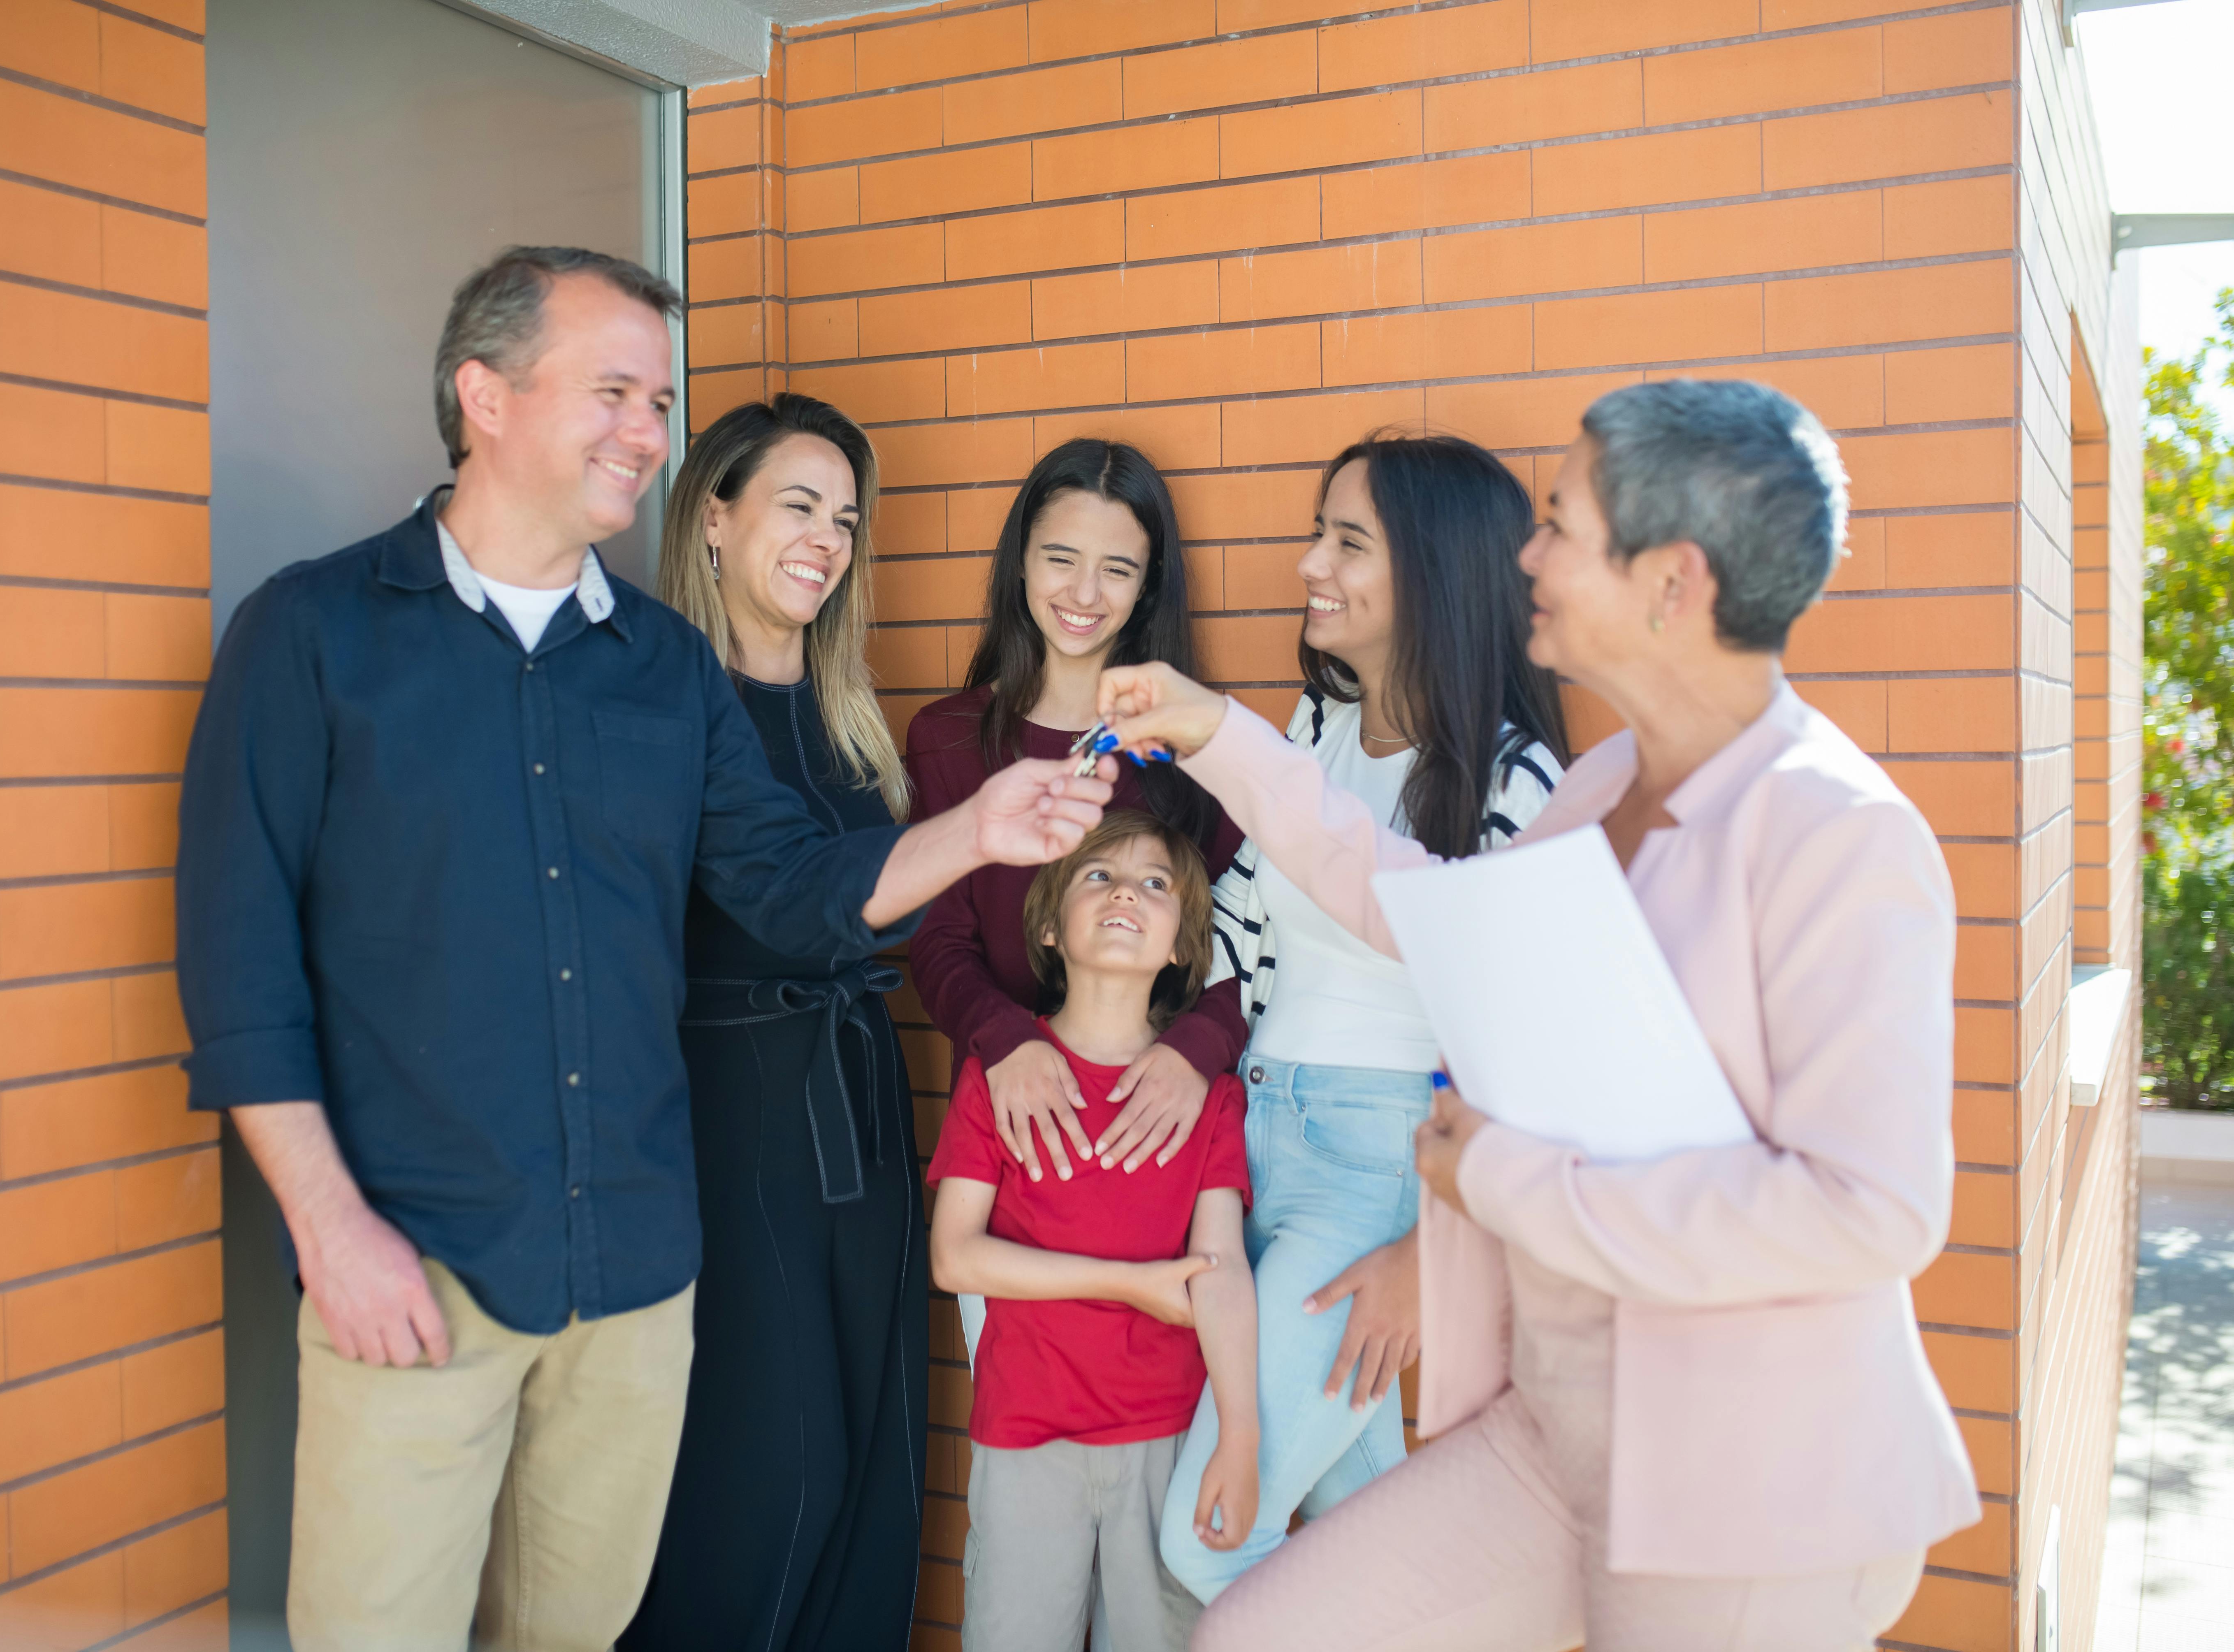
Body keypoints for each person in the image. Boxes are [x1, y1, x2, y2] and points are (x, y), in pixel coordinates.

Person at [174, 246, 1114, 1652]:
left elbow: (791, 885)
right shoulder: (313, 635)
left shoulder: (665, 667)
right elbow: (239, 968)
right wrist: (329, 1229)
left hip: (633, 1282)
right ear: (484, 395)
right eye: (613, 392)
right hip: (413, 1269)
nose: (648, 433)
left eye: (659, 402)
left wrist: (977, 829)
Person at [1097, 380, 1979, 1650]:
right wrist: (1222, 735)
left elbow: (1871, 1209)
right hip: (1556, 1431)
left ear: (1673, 582)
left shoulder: (1841, 834)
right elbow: (1428, 916)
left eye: (1562, 524)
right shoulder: (1607, 782)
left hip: (1742, 1479)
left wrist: (1503, 1182)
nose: (1527, 556)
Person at [1158, 435, 1568, 1606]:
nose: (1310, 565)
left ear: (1435, 571)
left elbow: (1527, 1041)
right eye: (1318, 533)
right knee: (1364, 1529)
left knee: (1208, 1539)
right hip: (1259, 1142)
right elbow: (1241, 938)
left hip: (1374, 1168)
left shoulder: (1515, 779)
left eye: (1348, 542)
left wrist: (1429, 1249)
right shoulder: (1317, 729)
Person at [621, 393, 925, 1652]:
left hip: (860, 1105)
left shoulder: (853, 716)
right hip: (731, 1119)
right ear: (712, 518)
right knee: (769, 1468)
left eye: (845, 519)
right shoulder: (663, 706)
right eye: (798, 506)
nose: (826, 541)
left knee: (874, 1452)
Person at [926, 811, 1257, 1652]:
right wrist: (1129, 1283)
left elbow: (1222, 1269)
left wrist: (1241, 1436)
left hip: (1168, 1438)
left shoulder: (1212, 1097)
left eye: (1156, 883)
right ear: (1048, 926)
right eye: (1099, 876)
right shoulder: (998, 1080)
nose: (1126, 894)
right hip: (1026, 1435)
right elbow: (954, 1256)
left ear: (1183, 946)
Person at [906, 439, 1247, 1195]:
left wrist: (1197, 1049)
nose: (1085, 594)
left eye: (1117, 570)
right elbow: (938, 941)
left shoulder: (1200, 744)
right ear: (1021, 563)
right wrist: (1005, 1042)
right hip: (1007, 1117)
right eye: (1061, 558)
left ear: (1148, 587)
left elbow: (1244, 941)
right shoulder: (946, 738)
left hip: (1156, 1122)